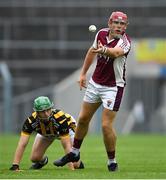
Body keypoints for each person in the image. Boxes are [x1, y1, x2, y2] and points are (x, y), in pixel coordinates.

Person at [53, 11, 131, 172]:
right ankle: (74, 153)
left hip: (113, 87)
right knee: (82, 119)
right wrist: (83, 73)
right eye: (116, 23)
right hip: (95, 83)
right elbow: (91, 51)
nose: (118, 26)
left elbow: (116, 53)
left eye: (122, 24)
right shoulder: (101, 33)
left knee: (105, 125)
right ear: (110, 23)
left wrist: (103, 50)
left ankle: (112, 161)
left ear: (125, 27)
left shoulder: (125, 41)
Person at [9, 96, 84, 171]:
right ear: (37, 112)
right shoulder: (31, 121)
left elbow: (66, 145)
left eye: (48, 110)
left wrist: (71, 169)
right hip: (46, 134)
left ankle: (79, 163)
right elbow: (22, 143)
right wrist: (15, 165)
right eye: (42, 111)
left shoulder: (60, 118)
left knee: (75, 164)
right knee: (35, 158)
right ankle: (43, 161)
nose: (46, 114)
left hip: (68, 130)